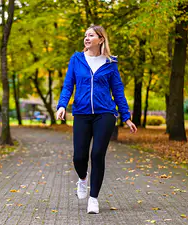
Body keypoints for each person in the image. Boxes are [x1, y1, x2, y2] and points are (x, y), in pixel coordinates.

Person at [56, 25, 137, 214]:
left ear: (101, 39)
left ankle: (94, 199)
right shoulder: (76, 60)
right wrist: (61, 105)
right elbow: (68, 85)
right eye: (85, 35)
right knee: (79, 157)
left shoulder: (110, 62)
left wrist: (126, 117)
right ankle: (83, 179)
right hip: (82, 113)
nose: (86, 38)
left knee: (98, 154)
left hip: (105, 114)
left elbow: (117, 91)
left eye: (90, 35)